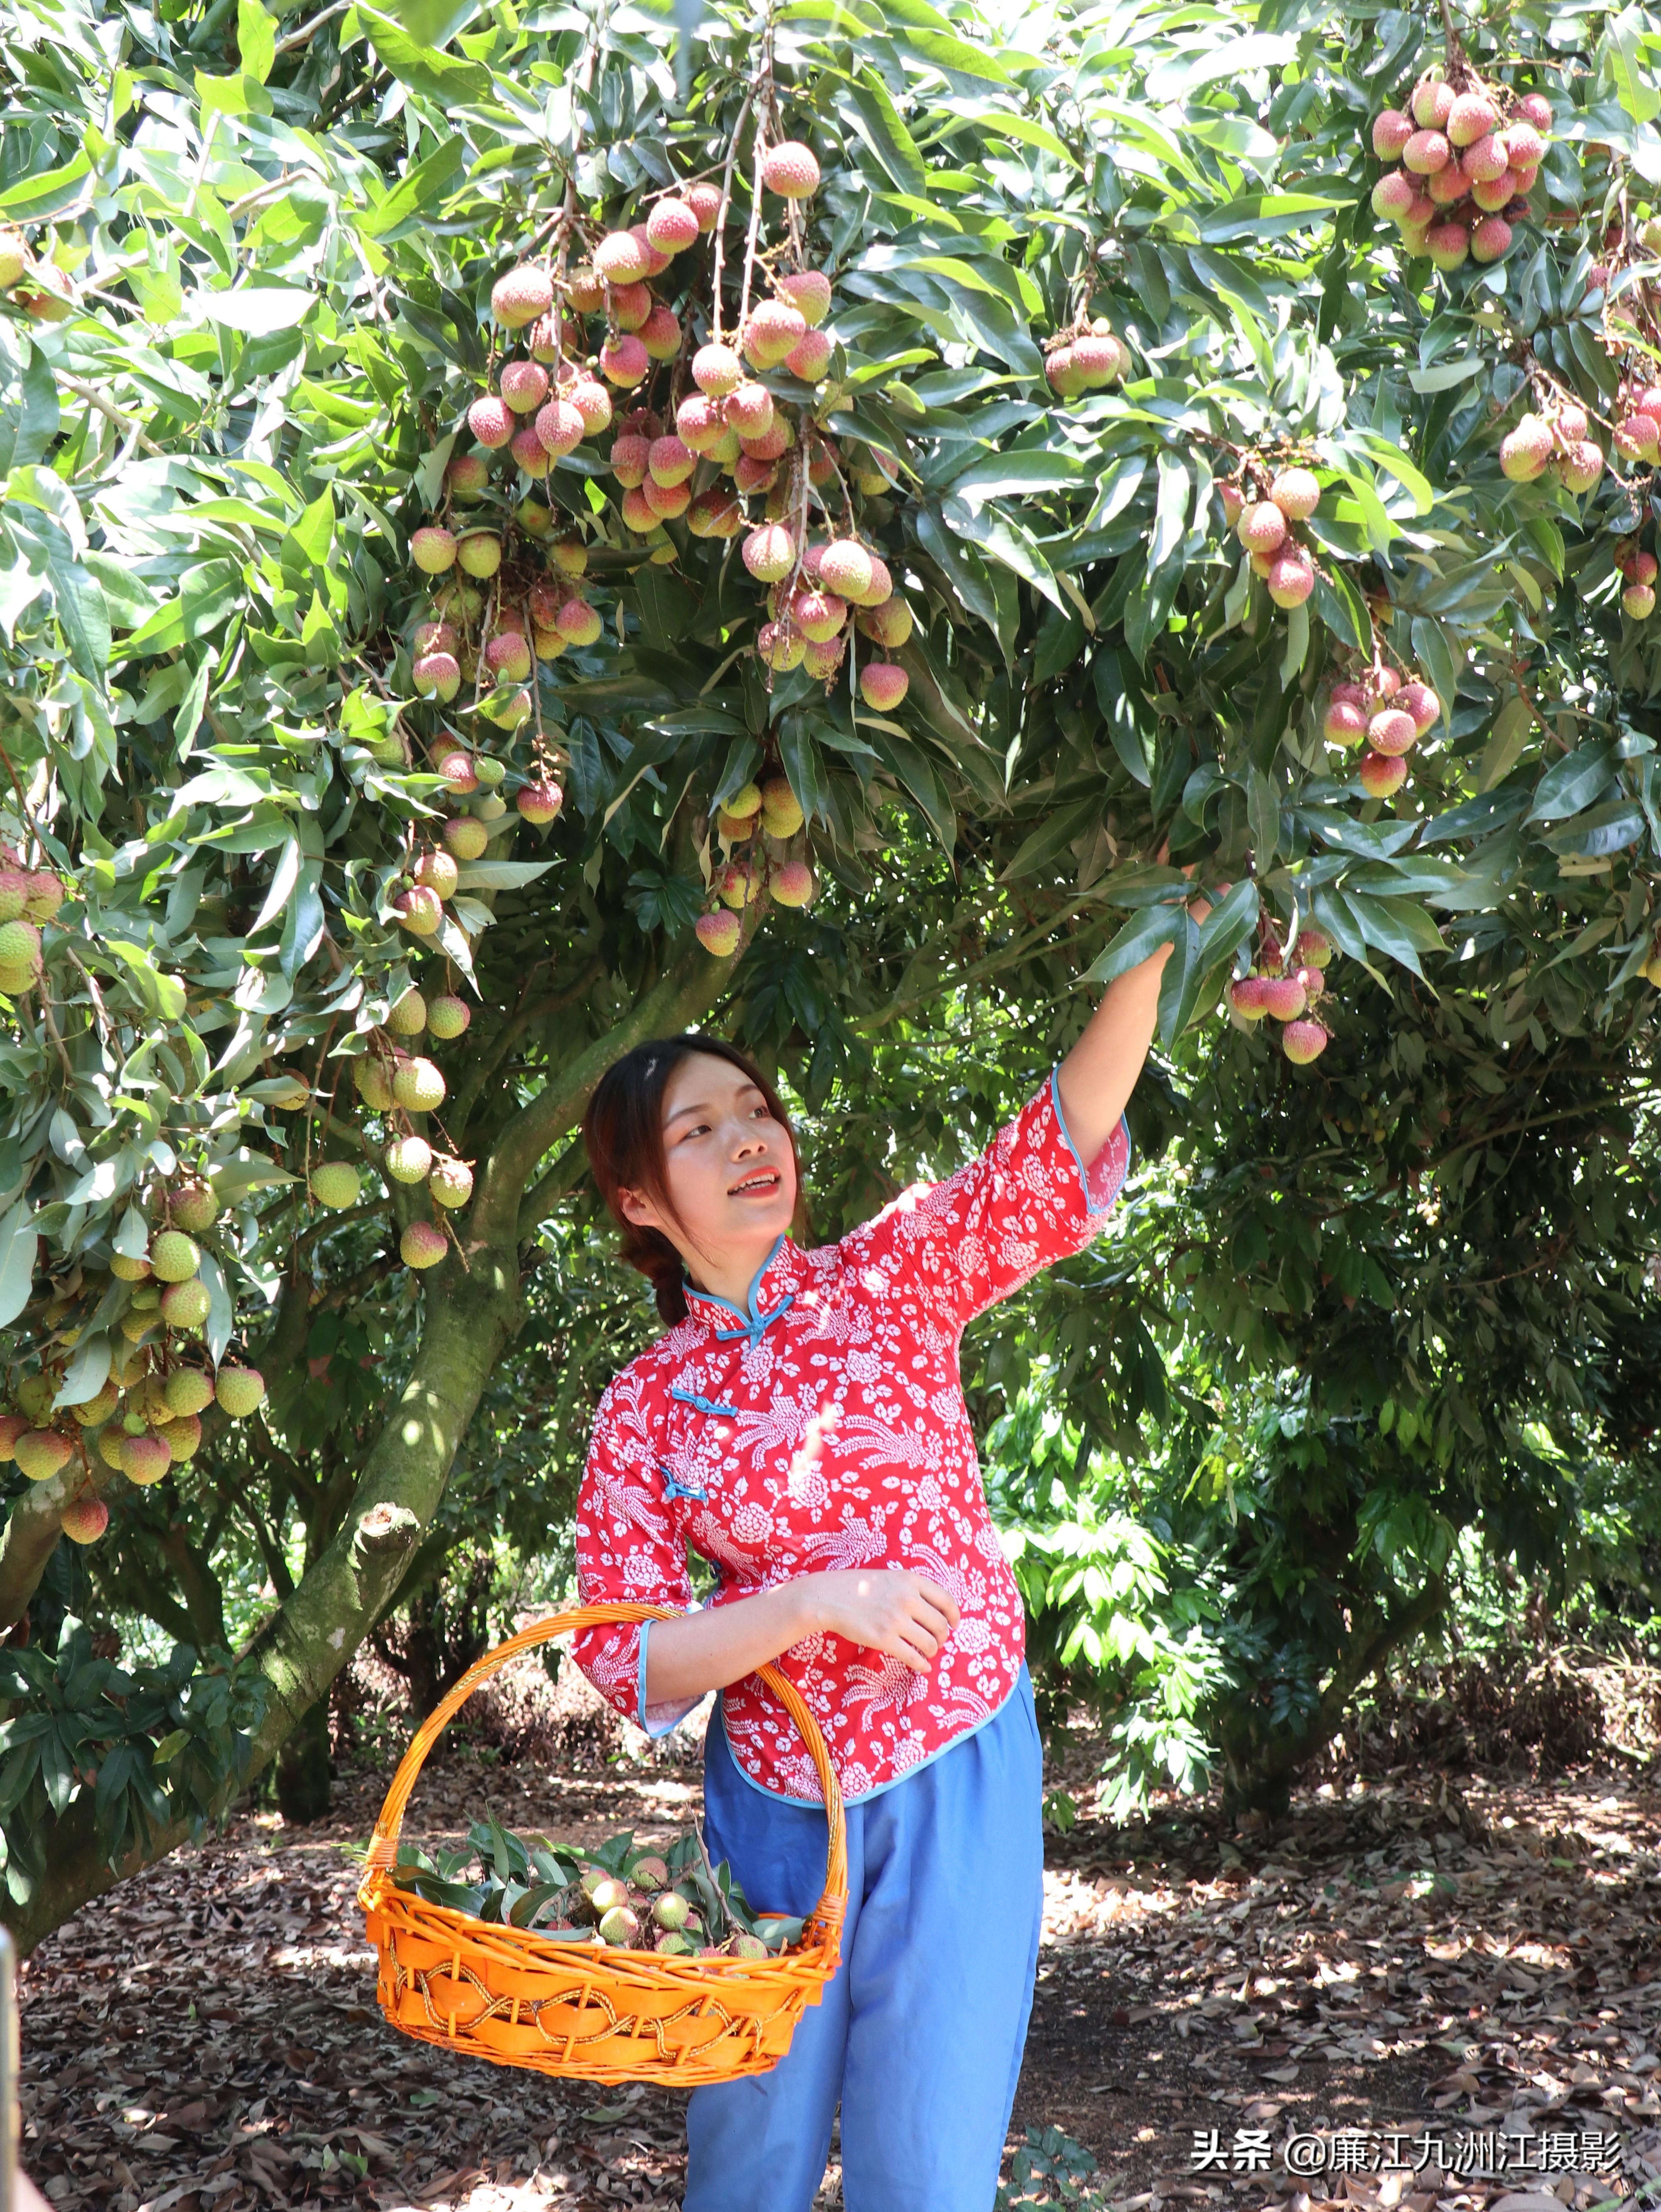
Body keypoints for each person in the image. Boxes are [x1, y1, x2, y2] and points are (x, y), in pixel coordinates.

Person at [571, 923, 1197, 2211]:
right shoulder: (644, 1407)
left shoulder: (895, 1276)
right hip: (771, 1820)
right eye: (698, 1132)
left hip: (959, 1773)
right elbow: (624, 1659)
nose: (751, 1139)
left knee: (927, 2171)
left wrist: (1165, 927)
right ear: (637, 1200)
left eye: (757, 1111)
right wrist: (805, 1604)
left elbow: (1061, 1134)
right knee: (747, 2171)